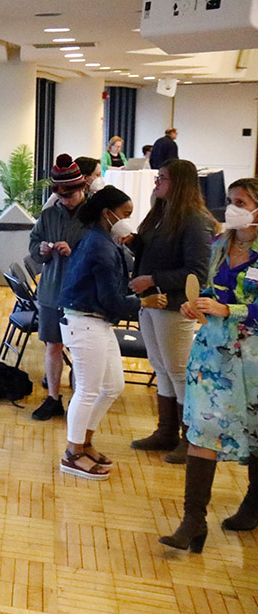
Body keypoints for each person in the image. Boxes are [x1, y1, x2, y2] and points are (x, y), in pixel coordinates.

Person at [159, 178, 258, 552]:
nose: (231, 207)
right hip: (213, 355)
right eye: (230, 200)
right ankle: (192, 521)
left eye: (240, 201)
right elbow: (208, 290)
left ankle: (253, 502)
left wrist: (228, 309)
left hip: (253, 360)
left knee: (256, 433)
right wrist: (196, 302)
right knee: (201, 431)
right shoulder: (218, 244)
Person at [57, 186, 168, 480]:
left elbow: (114, 293)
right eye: (126, 214)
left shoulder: (106, 240)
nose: (128, 220)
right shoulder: (99, 244)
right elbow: (112, 300)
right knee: (88, 389)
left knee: (112, 386)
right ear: (108, 214)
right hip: (85, 321)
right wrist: (143, 301)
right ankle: (72, 452)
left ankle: (85, 442)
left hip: (95, 321)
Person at [128, 159, 215, 463]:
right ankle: (166, 431)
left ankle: (189, 437)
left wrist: (152, 279)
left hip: (175, 304)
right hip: (152, 301)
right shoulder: (162, 212)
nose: (156, 182)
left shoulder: (195, 219)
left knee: (179, 370)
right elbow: (154, 251)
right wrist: (133, 242)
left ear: (179, 183)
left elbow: (197, 272)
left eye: (162, 178)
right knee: (160, 365)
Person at [29, 155, 89, 420]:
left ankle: (80, 401)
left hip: (82, 294)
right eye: (61, 194)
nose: (66, 199)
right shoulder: (49, 214)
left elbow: (107, 253)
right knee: (53, 346)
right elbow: (34, 243)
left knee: (80, 350)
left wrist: (74, 251)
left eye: (71, 194)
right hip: (52, 291)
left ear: (82, 187)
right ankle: (53, 398)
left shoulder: (95, 216)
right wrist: (40, 250)